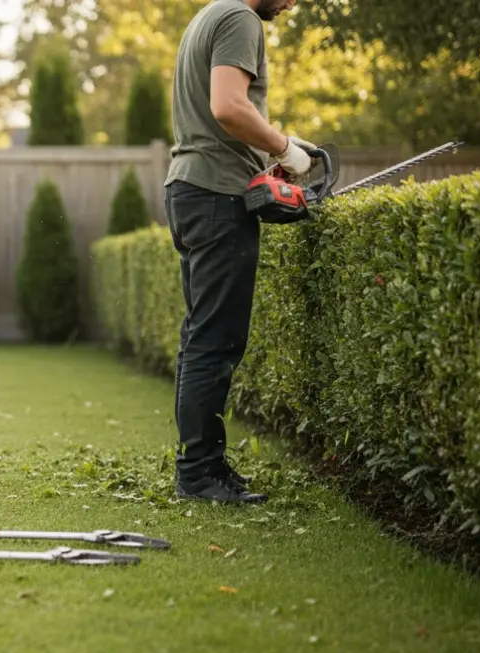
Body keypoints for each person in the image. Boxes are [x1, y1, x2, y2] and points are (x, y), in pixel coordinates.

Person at [164, 0, 315, 505]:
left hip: (193, 189)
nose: (292, 3)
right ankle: (198, 476)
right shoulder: (240, 19)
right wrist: (284, 148)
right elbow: (228, 107)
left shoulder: (209, 15)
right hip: (214, 197)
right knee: (216, 340)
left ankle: (203, 465)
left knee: (201, 337)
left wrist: (272, 151)